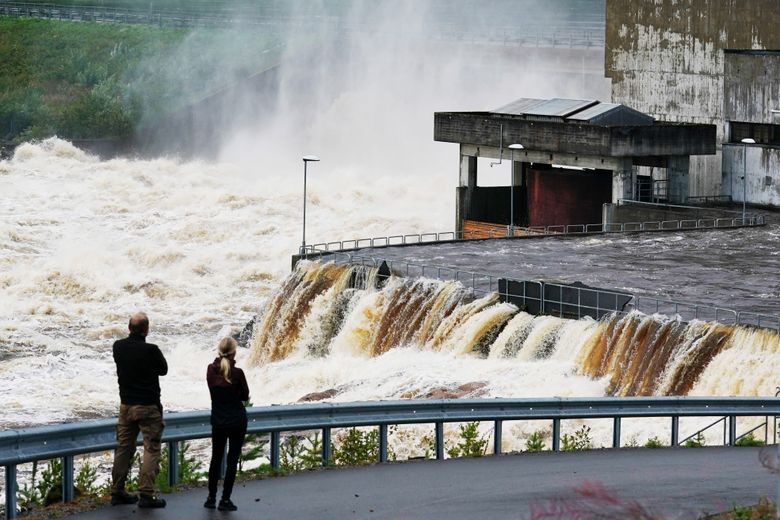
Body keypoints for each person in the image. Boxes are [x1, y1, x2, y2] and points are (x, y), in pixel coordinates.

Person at [110, 312, 168, 508]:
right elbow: (164, 369)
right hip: (148, 407)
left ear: (129, 328)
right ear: (146, 330)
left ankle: (117, 491)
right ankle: (146, 494)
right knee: (151, 449)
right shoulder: (151, 350)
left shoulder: (118, 347)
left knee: (123, 448)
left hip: (126, 406)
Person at [205, 337, 250, 512]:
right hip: (237, 420)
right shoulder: (237, 373)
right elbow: (245, 396)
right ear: (234, 352)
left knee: (216, 459)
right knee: (232, 461)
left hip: (218, 420)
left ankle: (210, 498)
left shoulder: (211, 370)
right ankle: (225, 500)